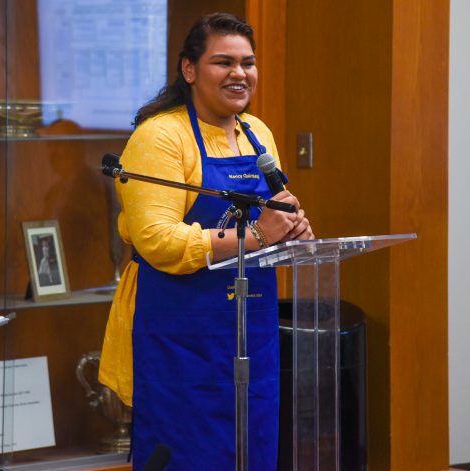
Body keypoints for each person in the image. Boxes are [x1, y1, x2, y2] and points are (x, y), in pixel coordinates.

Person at [98, 12, 314, 470]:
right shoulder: (160, 136)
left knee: (251, 452)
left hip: (250, 332)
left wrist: (291, 234)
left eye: (248, 62)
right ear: (189, 69)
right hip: (179, 334)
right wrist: (256, 235)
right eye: (224, 62)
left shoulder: (257, 134)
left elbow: (273, 221)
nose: (240, 73)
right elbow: (157, 240)